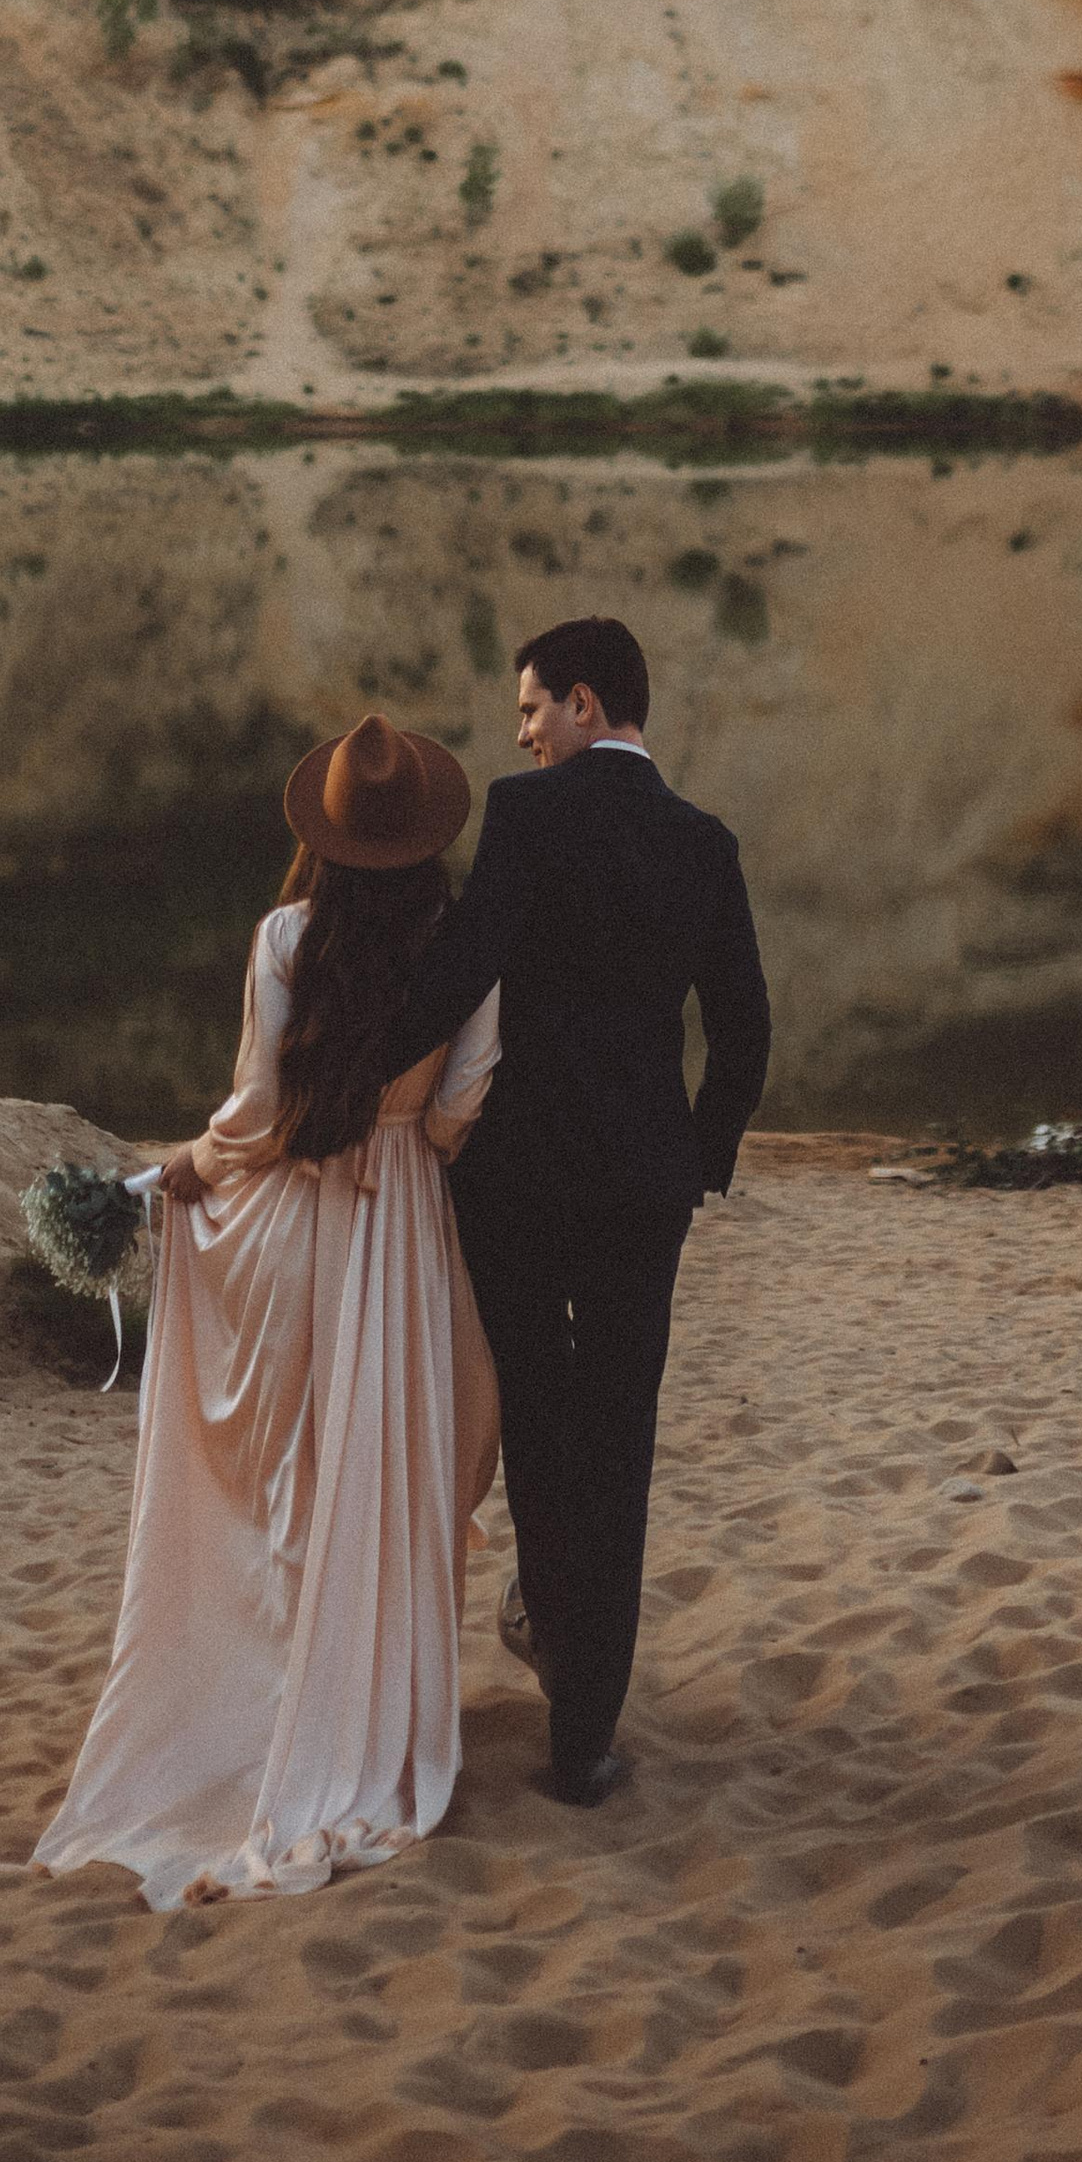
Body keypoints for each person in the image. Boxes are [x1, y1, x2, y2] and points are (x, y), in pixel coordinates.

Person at [33, 713, 502, 1908]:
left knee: (286, 1454)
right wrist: (410, 1138)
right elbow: (459, 1112)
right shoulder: (466, 942)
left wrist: (191, 1161)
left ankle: (280, 1675)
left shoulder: (286, 933)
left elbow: (257, 1104)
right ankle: (363, 1694)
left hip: (291, 1222)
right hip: (400, 1226)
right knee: (384, 1461)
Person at [382, 614, 769, 1806]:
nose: (524, 732)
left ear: (589, 704)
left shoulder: (526, 815)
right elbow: (743, 1029)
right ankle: (585, 1733)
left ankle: (552, 1625)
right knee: (618, 1431)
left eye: (535, 708)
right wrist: (697, 1160)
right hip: (641, 1189)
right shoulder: (703, 844)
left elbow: (463, 971)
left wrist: (352, 1067)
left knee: (540, 1427)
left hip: (518, 1181)